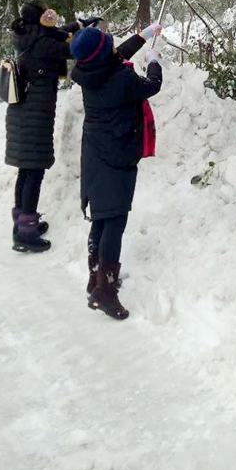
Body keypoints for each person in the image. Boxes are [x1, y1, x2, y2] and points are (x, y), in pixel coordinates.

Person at [70, 22, 163, 321]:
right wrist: (154, 62)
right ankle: (105, 292)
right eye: (108, 43)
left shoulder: (91, 72)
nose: (114, 46)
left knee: (101, 217)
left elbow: (116, 53)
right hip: (117, 155)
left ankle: (95, 278)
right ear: (100, 54)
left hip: (96, 154)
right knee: (115, 222)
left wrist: (145, 35)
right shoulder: (121, 79)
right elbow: (151, 86)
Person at [6, 2, 97, 253]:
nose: (51, 16)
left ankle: (22, 223)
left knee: (26, 171)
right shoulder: (44, 45)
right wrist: (92, 37)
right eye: (46, 13)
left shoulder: (28, 35)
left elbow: (56, 32)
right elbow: (74, 48)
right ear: (41, 19)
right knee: (33, 172)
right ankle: (26, 235)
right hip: (34, 116)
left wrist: (79, 24)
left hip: (23, 114)